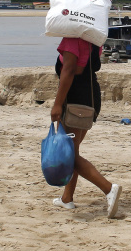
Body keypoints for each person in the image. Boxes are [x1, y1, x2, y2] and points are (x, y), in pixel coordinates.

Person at [50, 36, 122, 219]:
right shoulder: (94, 39)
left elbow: (69, 70)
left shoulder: (73, 40)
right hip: (90, 97)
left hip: (75, 100)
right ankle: (67, 198)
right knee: (72, 149)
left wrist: (57, 104)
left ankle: (108, 189)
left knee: (70, 155)